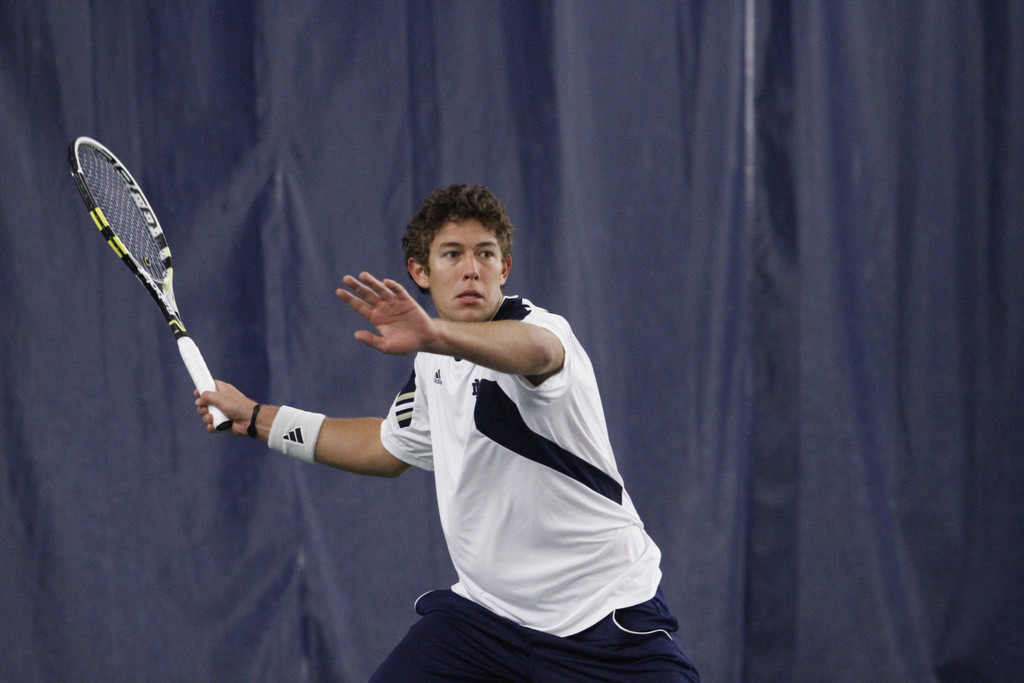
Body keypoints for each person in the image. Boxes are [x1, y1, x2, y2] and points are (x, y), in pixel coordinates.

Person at [196, 184, 700, 681]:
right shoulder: (432, 365)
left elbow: (539, 352)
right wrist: (257, 418)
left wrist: (437, 333)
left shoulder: (540, 330)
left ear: (504, 270)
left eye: (486, 254)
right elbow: (384, 447)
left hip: (604, 621)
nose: (471, 269)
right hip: (487, 624)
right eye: (452, 254)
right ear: (421, 272)